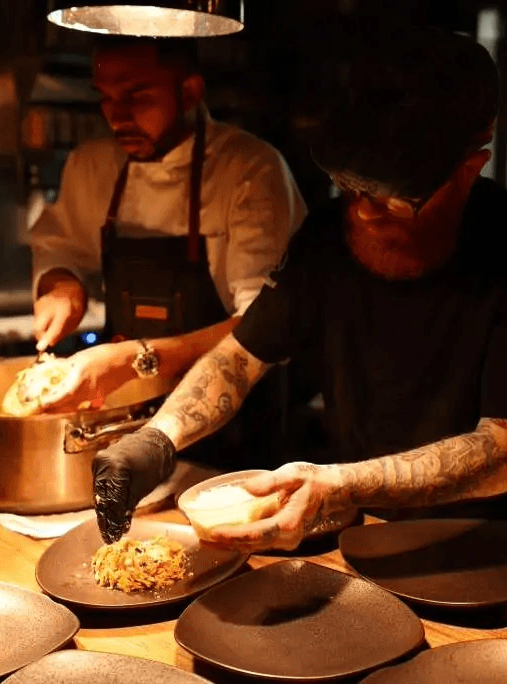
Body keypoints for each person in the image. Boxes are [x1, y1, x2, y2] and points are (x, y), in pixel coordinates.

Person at [85, 25, 507, 548]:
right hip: (355, 536)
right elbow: (239, 360)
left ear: (471, 167)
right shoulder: (328, 237)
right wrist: (157, 439)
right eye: (351, 189)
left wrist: (339, 483)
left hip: (483, 549)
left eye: (393, 198)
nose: (364, 213)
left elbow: (501, 455)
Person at [28, 36, 306, 466]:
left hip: (237, 436)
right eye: (106, 97)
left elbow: (266, 322)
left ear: (190, 91)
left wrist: (137, 358)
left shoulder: (250, 169)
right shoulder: (93, 163)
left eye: (138, 96)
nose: (117, 115)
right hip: (126, 428)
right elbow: (59, 245)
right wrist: (61, 284)